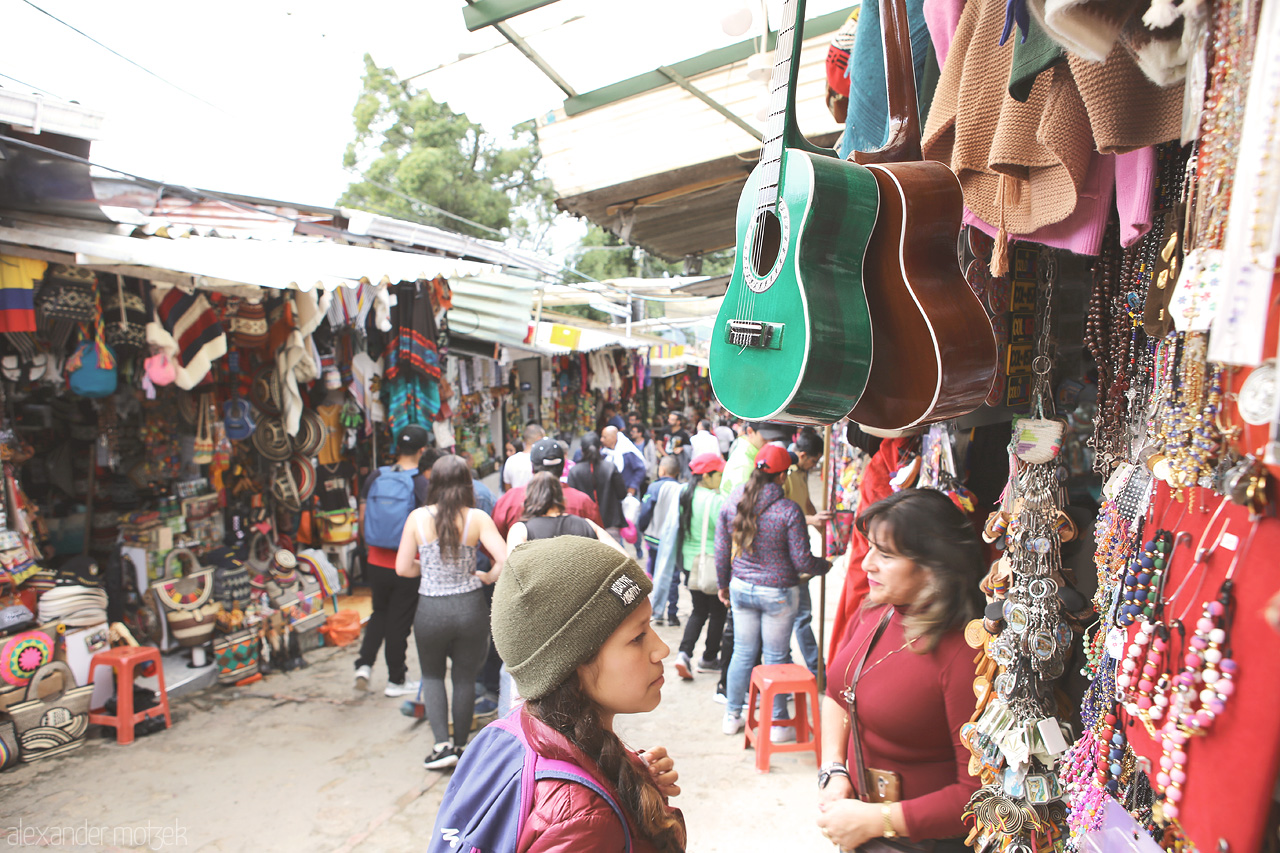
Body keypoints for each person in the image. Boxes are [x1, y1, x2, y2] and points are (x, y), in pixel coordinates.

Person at [484, 537, 687, 852]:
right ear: (572, 664)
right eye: (638, 637)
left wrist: (636, 787)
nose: (662, 649)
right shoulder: (584, 820)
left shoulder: (533, 730)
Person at [816, 489, 982, 852]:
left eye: (886, 555)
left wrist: (877, 820)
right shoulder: (880, 610)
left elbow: (977, 797)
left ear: (935, 566)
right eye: (871, 548)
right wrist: (834, 770)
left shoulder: (963, 655)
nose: (867, 564)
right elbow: (838, 694)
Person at [396, 454, 509, 770]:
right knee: (464, 678)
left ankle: (441, 745)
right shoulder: (477, 518)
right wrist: (486, 576)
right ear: (467, 483)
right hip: (470, 608)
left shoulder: (417, 518)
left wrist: (429, 567)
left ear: (433, 482)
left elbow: (402, 568)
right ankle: (460, 746)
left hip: (430, 610)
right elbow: (505, 558)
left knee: (432, 676)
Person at [716, 444, 831, 740]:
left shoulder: (734, 500)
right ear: (782, 477)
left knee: (742, 652)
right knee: (775, 656)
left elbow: (721, 548)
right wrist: (825, 565)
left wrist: (723, 584)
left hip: (741, 587)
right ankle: (778, 722)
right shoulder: (787, 510)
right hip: (778, 593)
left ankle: (731, 715)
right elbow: (802, 560)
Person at [355, 425, 432, 697]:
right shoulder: (419, 483)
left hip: (375, 559)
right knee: (399, 621)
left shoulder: (376, 475)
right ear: (422, 451)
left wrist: (367, 548)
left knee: (379, 612)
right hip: (407, 562)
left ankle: (363, 664)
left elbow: (362, 517)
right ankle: (396, 679)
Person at [781, 427, 833, 677]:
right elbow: (782, 515)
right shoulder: (788, 474)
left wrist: (824, 531)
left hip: (800, 552)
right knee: (801, 617)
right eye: (813, 461)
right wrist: (812, 520)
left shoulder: (800, 473)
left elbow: (807, 504)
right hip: (789, 557)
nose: (814, 465)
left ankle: (813, 666)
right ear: (802, 455)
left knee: (801, 616)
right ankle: (815, 668)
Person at [672, 452, 727, 680]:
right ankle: (708, 658)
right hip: (710, 564)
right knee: (717, 612)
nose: (722, 478)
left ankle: (684, 654)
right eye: (719, 474)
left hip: (688, 561)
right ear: (707, 476)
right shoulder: (715, 500)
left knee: (698, 610)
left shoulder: (685, 493)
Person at [492, 438, 602, 539]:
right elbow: (599, 540)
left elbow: (494, 545)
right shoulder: (582, 502)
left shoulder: (509, 500)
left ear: (532, 467)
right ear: (563, 467)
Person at [505, 472, 624, 552]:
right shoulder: (587, 524)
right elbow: (623, 558)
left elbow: (512, 575)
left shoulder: (520, 530)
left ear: (530, 498)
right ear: (560, 496)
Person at [637, 455, 683, 626]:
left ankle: (657, 612)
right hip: (673, 540)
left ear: (662, 470)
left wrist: (641, 527)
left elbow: (645, 511)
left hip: (654, 537)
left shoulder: (654, 487)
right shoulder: (682, 489)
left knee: (656, 572)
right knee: (673, 576)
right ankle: (673, 613)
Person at [568, 431, 628, 543]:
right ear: (600, 448)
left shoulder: (575, 471)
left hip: (585, 526)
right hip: (610, 523)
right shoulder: (610, 467)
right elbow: (622, 494)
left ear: (581, 449)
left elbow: (572, 499)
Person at [720, 421, 766, 495]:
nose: (770, 441)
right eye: (766, 437)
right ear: (750, 432)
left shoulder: (747, 452)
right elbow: (743, 503)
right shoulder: (744, 465)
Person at [601, 425, 648, 497]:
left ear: (613, 438)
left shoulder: (627, 452)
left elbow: (640, 470)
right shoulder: (604, 453)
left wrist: (633, 486)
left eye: (604, 437)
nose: (601, 440)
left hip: (627, 493)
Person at [502, 424, 544, 492]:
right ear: (539, 439)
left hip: (516, 501)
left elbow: (508, 489)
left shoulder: (511, 461)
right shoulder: (542, 460)